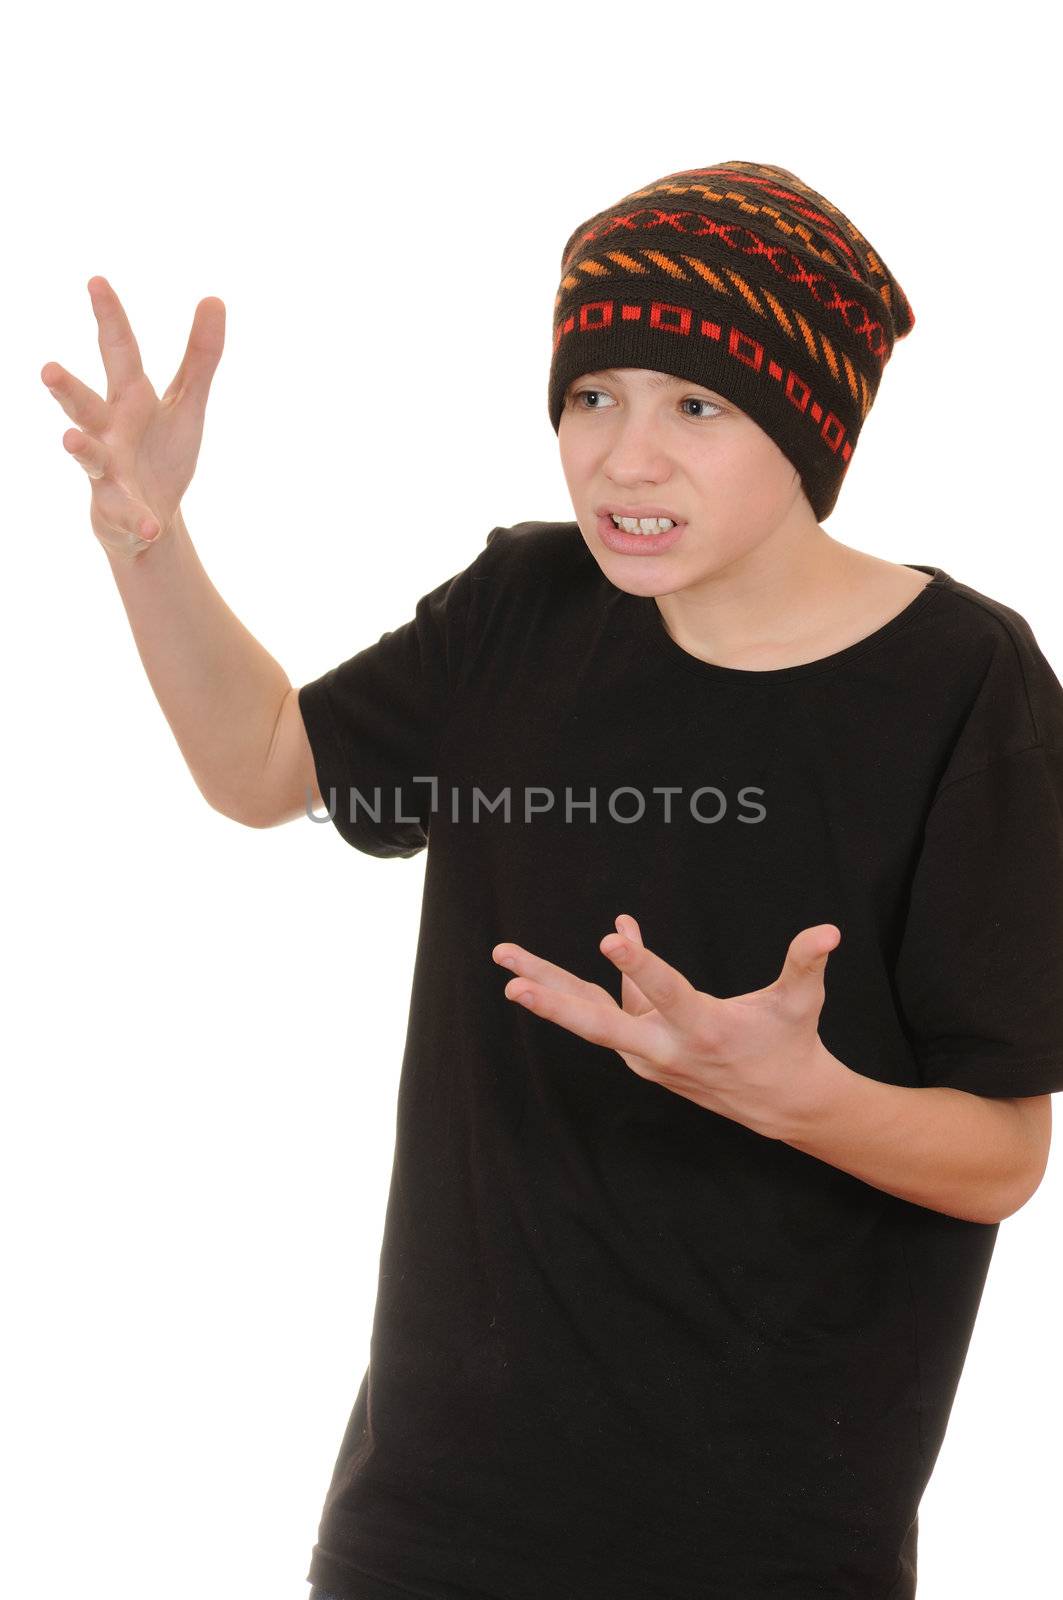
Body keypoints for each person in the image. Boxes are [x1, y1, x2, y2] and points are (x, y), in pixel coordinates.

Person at [43, 160, 1063, 1600]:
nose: (622, 459)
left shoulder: (965, 685)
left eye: (694, 406)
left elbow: (1005, 1153)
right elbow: (262, 764)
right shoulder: (523, 612)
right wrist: (146, 542)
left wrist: (795, 1095)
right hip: (433, 1521)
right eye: (594, 397)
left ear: (808, 421)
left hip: (767, 1544)